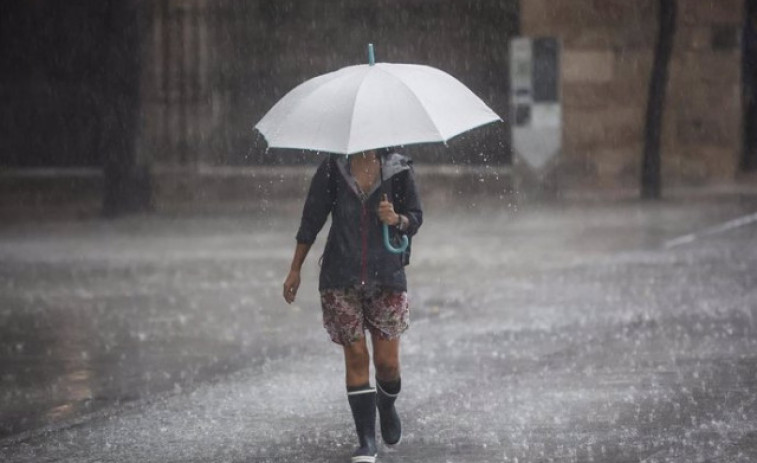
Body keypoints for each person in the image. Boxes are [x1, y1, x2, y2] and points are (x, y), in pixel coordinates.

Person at [282, 148, 422, 463]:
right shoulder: (334, 168)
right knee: (356, 356)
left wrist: (397, 218)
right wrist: (295, 269)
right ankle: (366, 440)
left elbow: (416, 216)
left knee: (387, 364)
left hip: (386, 275)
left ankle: (385, 407)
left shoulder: (398, 169)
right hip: (340, 275)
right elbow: (311, 219)